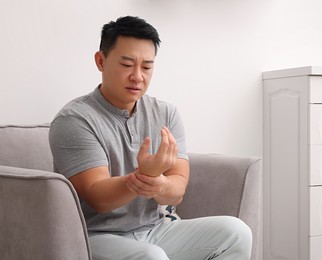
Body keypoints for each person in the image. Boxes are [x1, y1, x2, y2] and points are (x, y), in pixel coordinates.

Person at [49, 16, 252, 260]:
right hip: (96, 236)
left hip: (157, 229)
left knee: (236, 232)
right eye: (126, 65)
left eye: (146, 67)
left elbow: (176, 191)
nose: (137, 76)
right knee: (151, 256)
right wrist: (143, 176)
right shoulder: (75, 119)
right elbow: (97, 197)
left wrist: (160, 184)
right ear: (100, 61)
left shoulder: (166, 114)